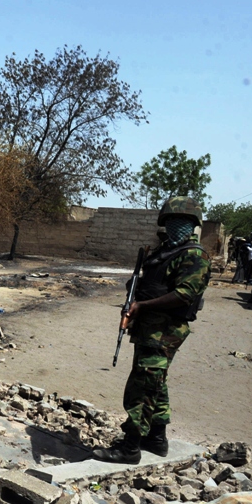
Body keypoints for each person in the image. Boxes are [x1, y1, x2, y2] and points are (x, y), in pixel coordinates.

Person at [94, 196, 211, 464]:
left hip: (166, 332)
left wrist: (143, 305)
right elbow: (149, 283)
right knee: (156, 384)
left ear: (193, 225)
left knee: (142, 387)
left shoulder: (195, 256)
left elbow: (185, 294)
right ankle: (156, 440)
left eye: (182, 222)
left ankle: (130, 448)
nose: (176, 226)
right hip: (149, 330)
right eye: (171, 221)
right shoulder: (161, 252)